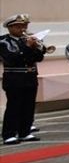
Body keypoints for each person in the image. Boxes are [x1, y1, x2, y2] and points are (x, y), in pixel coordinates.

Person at [1, 14, 47, 144]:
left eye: (24, 26)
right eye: (19, 27)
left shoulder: (26, 40)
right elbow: (12, 58)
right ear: (10, 27)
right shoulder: (4, 41)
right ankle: (9, 134)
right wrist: (27, 46)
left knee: (28, 106)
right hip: (14, 77)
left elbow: (38, 58)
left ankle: (24, 132)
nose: (22, 29)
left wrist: (37, 48)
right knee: (14, 106)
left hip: (30, 77)